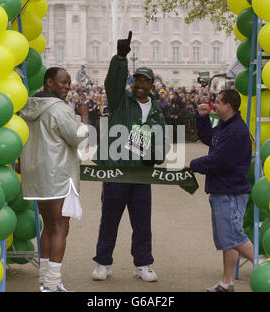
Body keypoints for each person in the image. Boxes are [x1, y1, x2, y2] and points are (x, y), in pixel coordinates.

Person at [91, 31, 168, 282]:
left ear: (151, 85)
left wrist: (155, 155)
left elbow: (163, 140)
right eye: (137, 80)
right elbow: (112, 83)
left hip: (141, 173)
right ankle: (103, 263)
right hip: (116, 170)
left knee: (142, 222)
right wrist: (120, 58)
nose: (140, 84)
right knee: (109, 220)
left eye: (145, 81)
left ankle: (143, 263)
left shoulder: (156, 110)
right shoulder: (120, 100)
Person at [20, 67, 89, 292]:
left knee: (48, 226)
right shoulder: (59, 109)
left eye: (69, 83)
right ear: (49, 82)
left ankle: (45, 281)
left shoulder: (29, 107)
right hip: (58, 175)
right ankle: (51, 284)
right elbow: (76, 137)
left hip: (36, 176)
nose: (68, 86)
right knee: (60, 227)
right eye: (63, 82)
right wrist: (84, 117)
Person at [187, 89, 254, 292]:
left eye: (217, 102)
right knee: (228, 239)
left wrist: (192, 164)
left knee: (233, 236)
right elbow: (209, 138)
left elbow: (219, 160)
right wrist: (202, 117)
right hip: (224, 189)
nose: (213, 104)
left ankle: (267, 265)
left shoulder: (236, 131)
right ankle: (226, 282)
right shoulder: (226, 127)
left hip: (230, 191)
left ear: (228, 106)